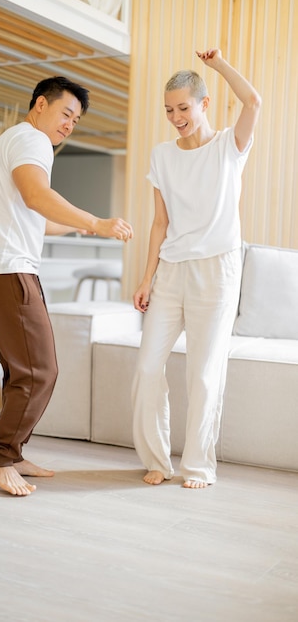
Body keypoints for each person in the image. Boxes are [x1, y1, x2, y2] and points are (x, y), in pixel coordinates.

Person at [0, 76, 133, 496]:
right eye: (65, 113)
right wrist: (96, 220)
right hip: (9, 270)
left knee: (19, 372)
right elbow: (36, 195)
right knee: (39, 372)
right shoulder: (32, 142)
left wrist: (85, 230)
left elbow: (37, 217)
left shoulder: (14, 141)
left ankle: (14, 453)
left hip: (1, 268)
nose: (69, 125)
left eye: (76, 120)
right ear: (40, 104)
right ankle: (0, 459)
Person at [132, 48, 261, 489]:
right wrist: (147, 277)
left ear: (204, 104)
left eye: (184, 107)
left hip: (217, 270)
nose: (176, 116)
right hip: (171, 270)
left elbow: (254, 103)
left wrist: (220, 65)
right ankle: (156, 459)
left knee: (204, 374)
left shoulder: (230, 146)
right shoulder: (163, 156)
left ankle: (199, 467)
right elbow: (160, 223)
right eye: (169, 110)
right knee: (149, 367)